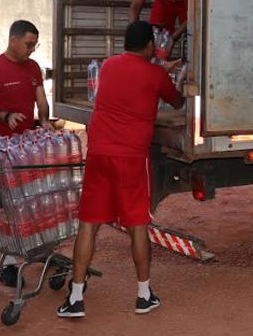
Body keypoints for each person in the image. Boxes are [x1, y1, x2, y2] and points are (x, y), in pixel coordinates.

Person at [57, 21, 184, 319]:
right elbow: (175, 99)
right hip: (131, 158)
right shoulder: (154, 73)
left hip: (100, 153)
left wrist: (159, 69)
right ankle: (143, 295)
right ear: (151, 46)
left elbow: (134, 79)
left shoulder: (109, 66)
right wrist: (169, 72)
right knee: (137, 225)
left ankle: (75, 298)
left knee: (89, 224)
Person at [0, 19, 53, 288]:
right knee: (5, 205)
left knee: (32, 200)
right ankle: (7, 263)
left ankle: (38, 250)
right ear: (14, 40)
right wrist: (4, 115)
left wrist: (43, 122)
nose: (32, 49)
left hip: (27, 148)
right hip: (0, 149)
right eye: (29, 44)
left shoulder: (33, 68)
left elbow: (41, 100)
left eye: (35, 44)